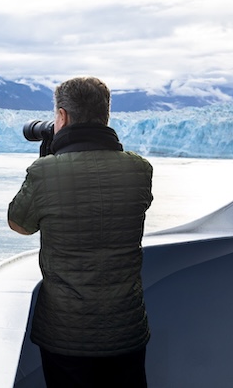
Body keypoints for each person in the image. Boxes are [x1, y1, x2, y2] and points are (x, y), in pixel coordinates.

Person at [8, 76, 153, 388]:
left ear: (61, 117)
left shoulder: (44, 172)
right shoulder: (140, 169)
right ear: (106, 115)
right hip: (125, 328)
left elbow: (19, 224)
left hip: (66, 333)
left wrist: (47, 160)